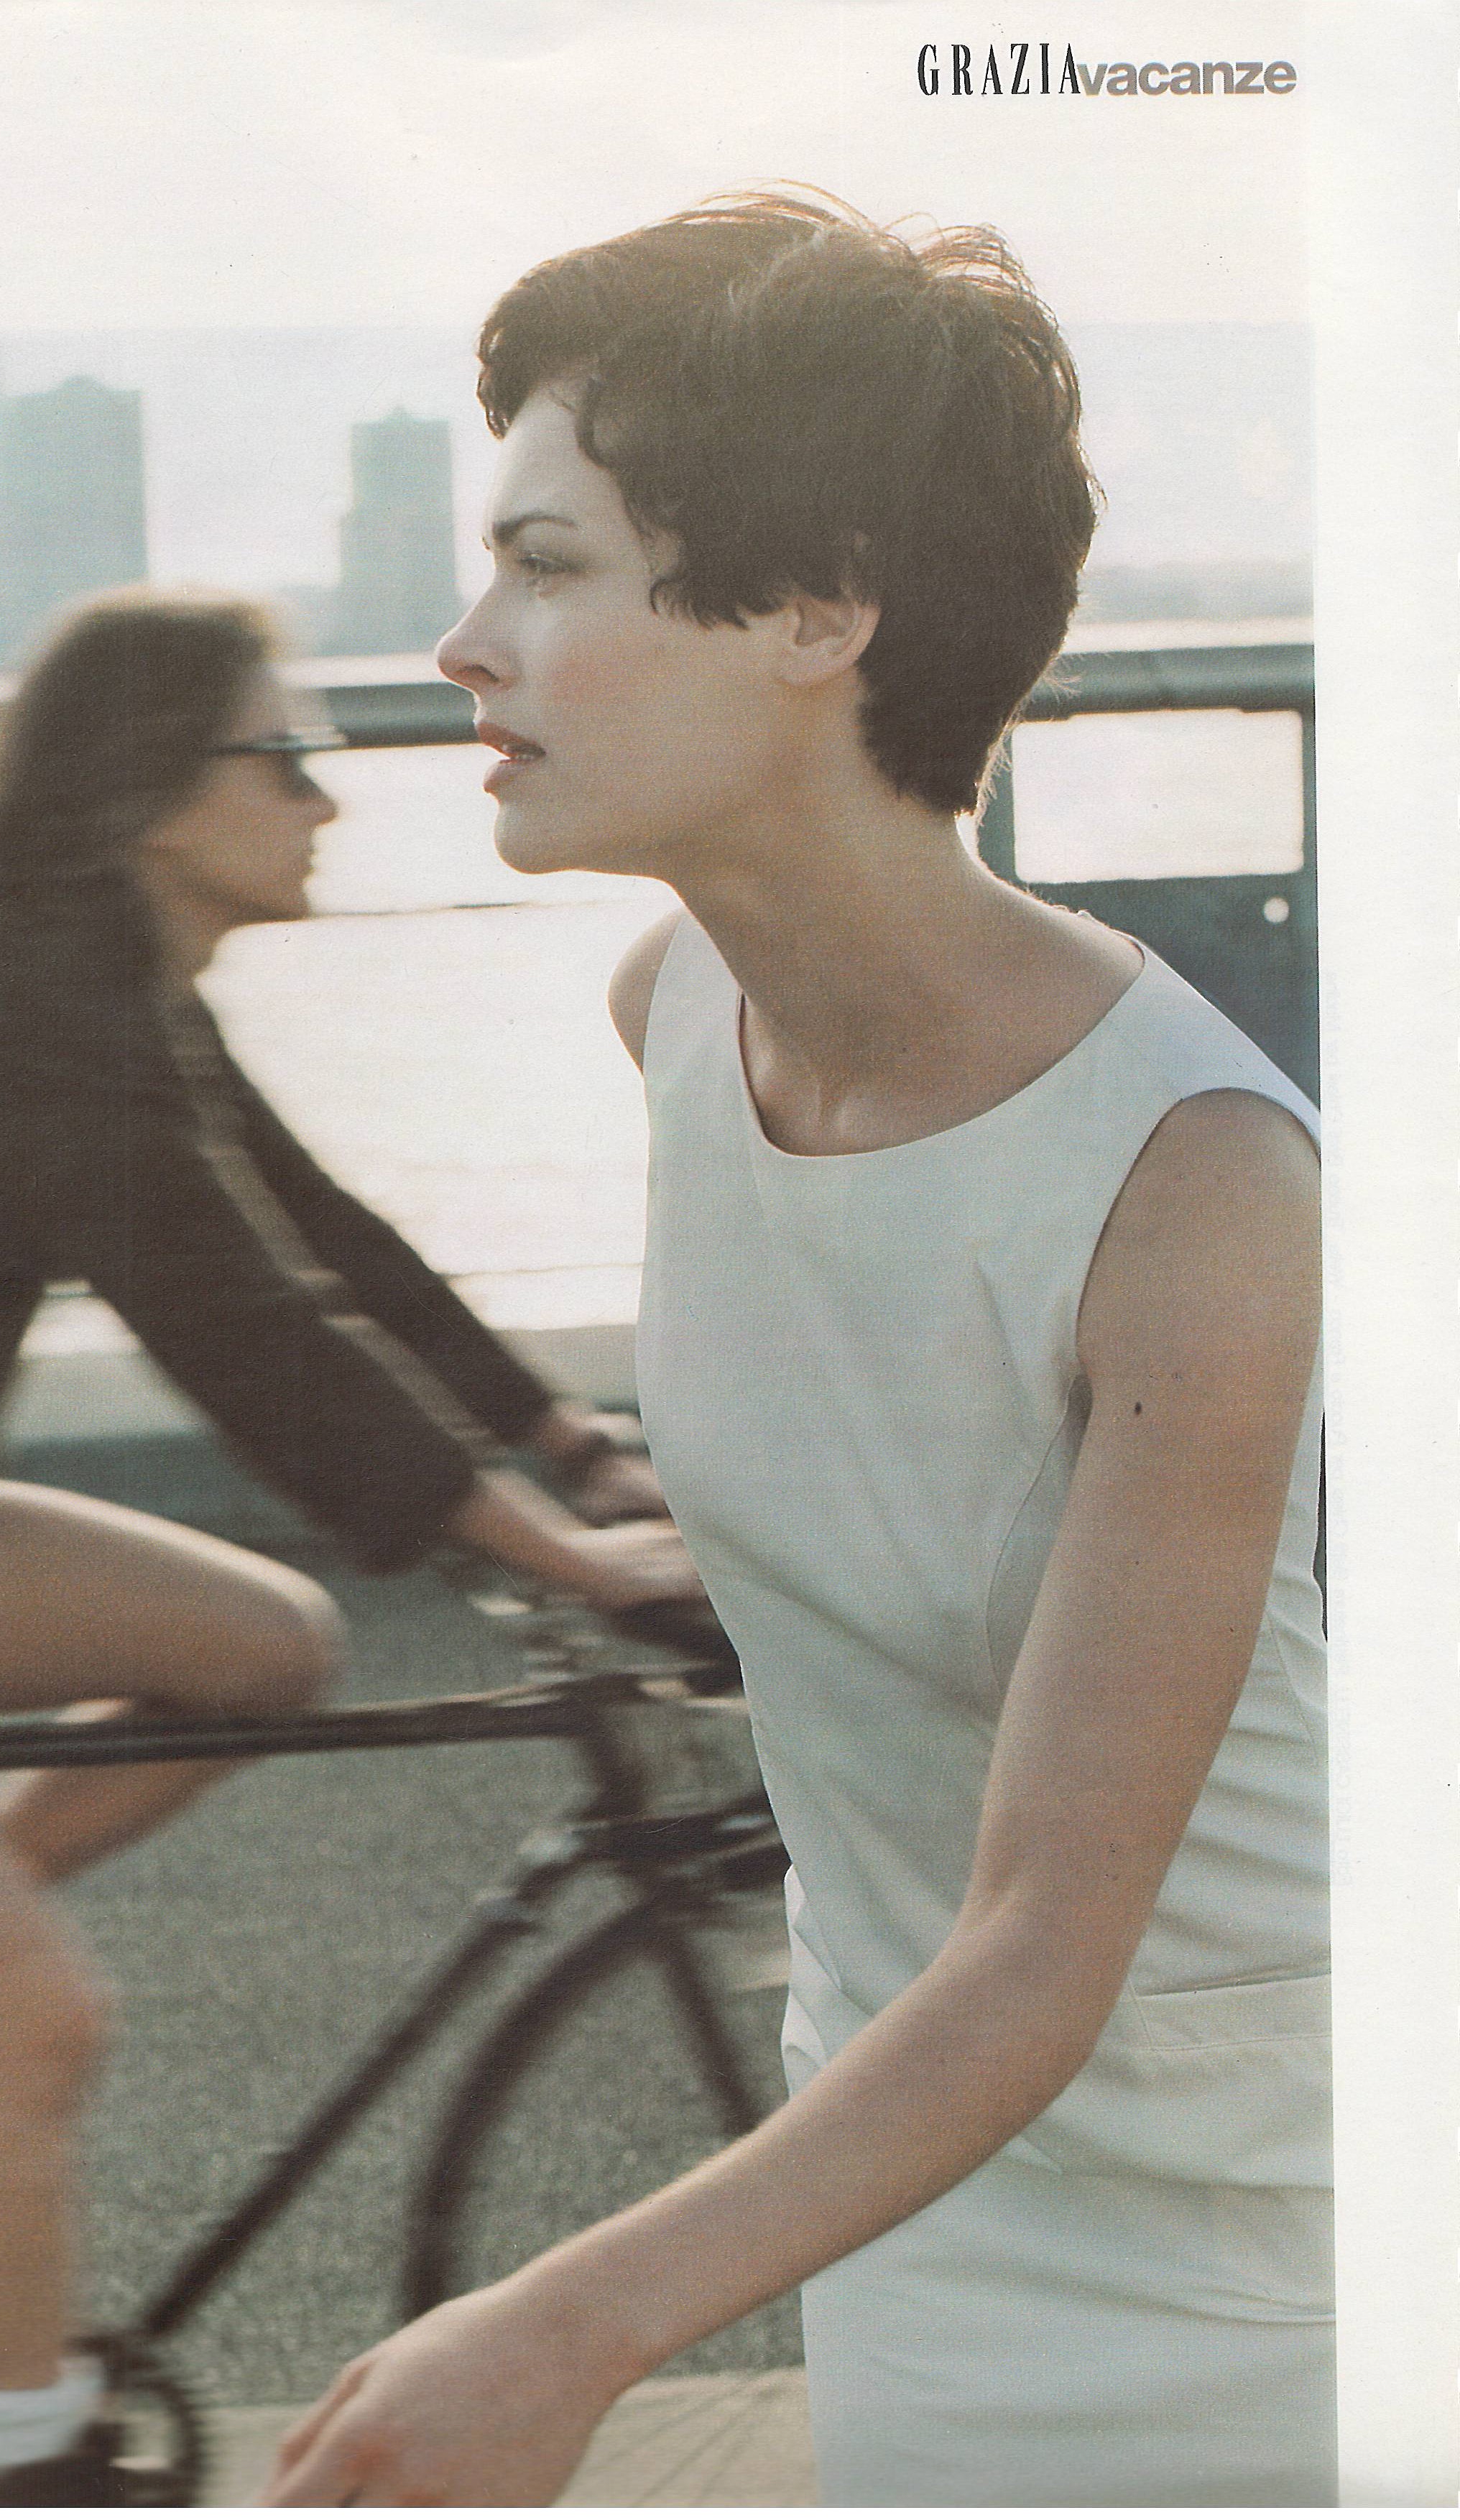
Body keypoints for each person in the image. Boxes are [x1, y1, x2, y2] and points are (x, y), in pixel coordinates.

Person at [264, 190, 1332, 2508]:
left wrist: (576, 2323)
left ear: (820, 608)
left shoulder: (1203, 1188)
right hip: (904, 2197)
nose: (463, 641)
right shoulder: (672, 1019)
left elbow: (1046, 1933)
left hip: (1271, 2263)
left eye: (548, 563)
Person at [0, 587, 702, 2502]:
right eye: (284, 755)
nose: (326, 797)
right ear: (150, 791)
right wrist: (574, 1565)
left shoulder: (102, 978)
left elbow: (325, 1248)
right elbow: (241, 1328)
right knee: (33, 2012)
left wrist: (571, 1448)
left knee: (260, 1643)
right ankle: (28, 2455)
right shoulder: (20, 1010)